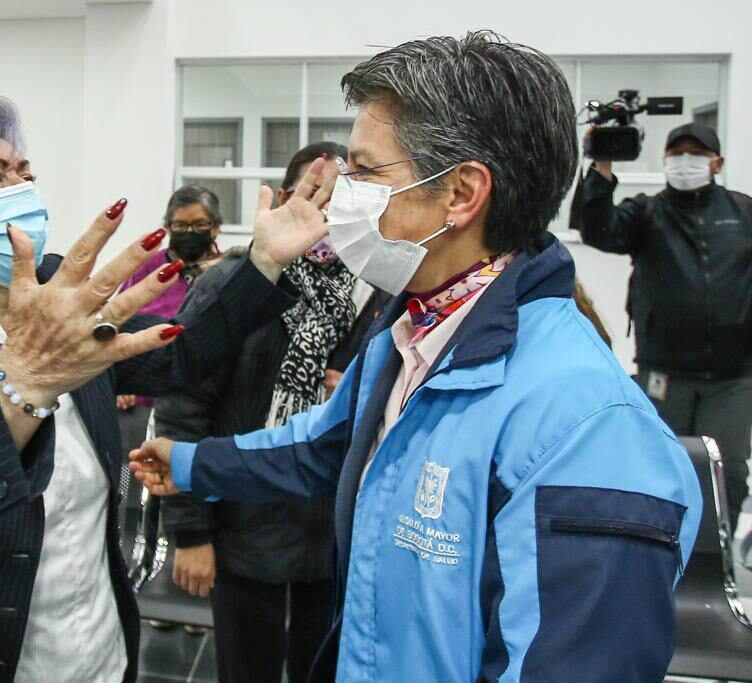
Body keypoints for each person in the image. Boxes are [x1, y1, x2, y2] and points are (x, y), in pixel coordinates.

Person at [130, 32, 702, 683]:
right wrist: (191, 462)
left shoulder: (589, 428)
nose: (341, 194)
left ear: (461, 194)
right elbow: (327, 445)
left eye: (366, 171)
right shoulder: (411, 330)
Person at [0, 95, 336, 683]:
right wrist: (22, 381)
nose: (23, 187)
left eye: (25, 172)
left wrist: (262, 263)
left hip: (95, 655)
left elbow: (176, 356)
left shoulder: (58, 290)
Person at [157, 142, 357, 683]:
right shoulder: (237, 282)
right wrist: (191, 534)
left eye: (347, 199)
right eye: (319, 197)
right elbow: (183, 407)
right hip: (245, 524)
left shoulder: (371, 290)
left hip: (334, 535)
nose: (331, 213)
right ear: (290, 198)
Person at [579, 122, 752, 532]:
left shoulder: (744, 212)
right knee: (661, 462)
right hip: (665, 371)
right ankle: (663, 552)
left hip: (733, 375)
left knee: (725, 472)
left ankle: (718, 554)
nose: (684, 162)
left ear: (717, 162)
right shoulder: (647, 211)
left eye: (695, 153)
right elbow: (599, 230)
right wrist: (601, 168)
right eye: (676, 154)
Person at [115, 184, 223, 414]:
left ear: (216, 228)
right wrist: (120, 376)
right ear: (168, 228)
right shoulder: (147, 270)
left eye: (200, 224)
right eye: (180, 225)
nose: (190, 232)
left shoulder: (228, 272)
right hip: (145, 402)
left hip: (211, 403)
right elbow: (117, 323)